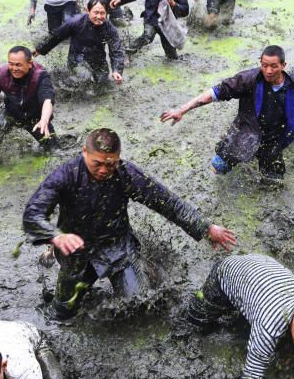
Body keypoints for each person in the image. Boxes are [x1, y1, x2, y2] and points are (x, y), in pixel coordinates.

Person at [22, 128, 237, 318]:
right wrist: (56, 236)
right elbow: (32, 214)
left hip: (118, 248)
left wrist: (206, 228)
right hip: (77, 252)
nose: (104, 170)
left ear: (118, 157)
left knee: (140, 303)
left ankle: (146, 269)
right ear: (84, 152)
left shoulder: (126, 174)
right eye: (97, 163)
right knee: (61, 312)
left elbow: (167, 202)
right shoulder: (66, 176)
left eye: (110, 163)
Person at [161, 46, 294, 182]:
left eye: (274, 66)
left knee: (274, 182)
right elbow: (215, 93)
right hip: (246, 132)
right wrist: (182, 109)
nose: (268, 71)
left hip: (274, 139)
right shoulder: (248, 79)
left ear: (283, 66)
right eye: (264, 65)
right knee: (218, 167)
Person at [34, 0, 125, 92]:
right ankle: (61, 86)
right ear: (88, 11)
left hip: (99, 61)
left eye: (102, 13)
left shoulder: (110, 29)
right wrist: (40, 49)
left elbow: (116, 50)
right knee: (84, 77)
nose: (99, 16)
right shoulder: (75, 22)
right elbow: (57, 36)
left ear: (106, 13)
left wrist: (116, 70)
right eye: (96, 12)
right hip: (77, 59)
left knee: (103, 87)